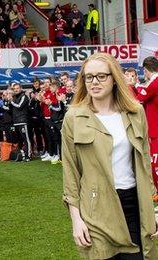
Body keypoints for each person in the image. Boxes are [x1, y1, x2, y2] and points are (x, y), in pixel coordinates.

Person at [62, 52, 158, 259]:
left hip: (134, 204)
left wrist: (151, 210)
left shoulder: (135, 112)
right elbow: (70, 172)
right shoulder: (73, 117)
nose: (94, 82)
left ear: (114, 78)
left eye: (101, 76)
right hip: (96, 208)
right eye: (89, 77)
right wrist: (76, 220)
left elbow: (143, 164)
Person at [133, 57, 158, 196]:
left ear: (146, 70)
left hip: (156, 132)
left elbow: (141, 97)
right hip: (154, 131)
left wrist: (134, 85)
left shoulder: (154, 83)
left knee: (155, 166)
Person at [10, 83, 30, 161]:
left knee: (26, 139)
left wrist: (11, 101)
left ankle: (28, 155)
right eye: (14, 89)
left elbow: (19, 106)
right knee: (20, 140)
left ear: (21, 88)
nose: (16, 90)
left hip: (23, 121)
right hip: (16, 121)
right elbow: (11, 109)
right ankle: (22, 155)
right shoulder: (14, 97)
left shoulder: (24, 96)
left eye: (17, 88)